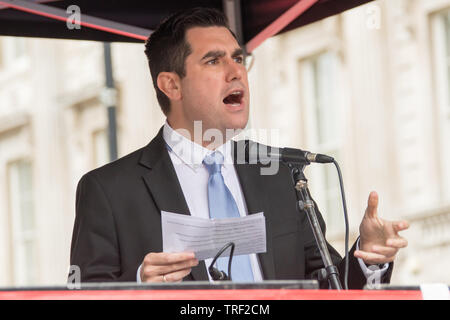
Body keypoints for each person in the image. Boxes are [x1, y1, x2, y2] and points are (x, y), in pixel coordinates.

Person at [70, 7, 409, 288]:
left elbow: (328, 288)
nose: (237, 72)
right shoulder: (108, 191)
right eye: (214, 61)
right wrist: (139, 286)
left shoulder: (279, 172)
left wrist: (368, 255)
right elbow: (82, 295)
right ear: (171, 84)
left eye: (238, 58)